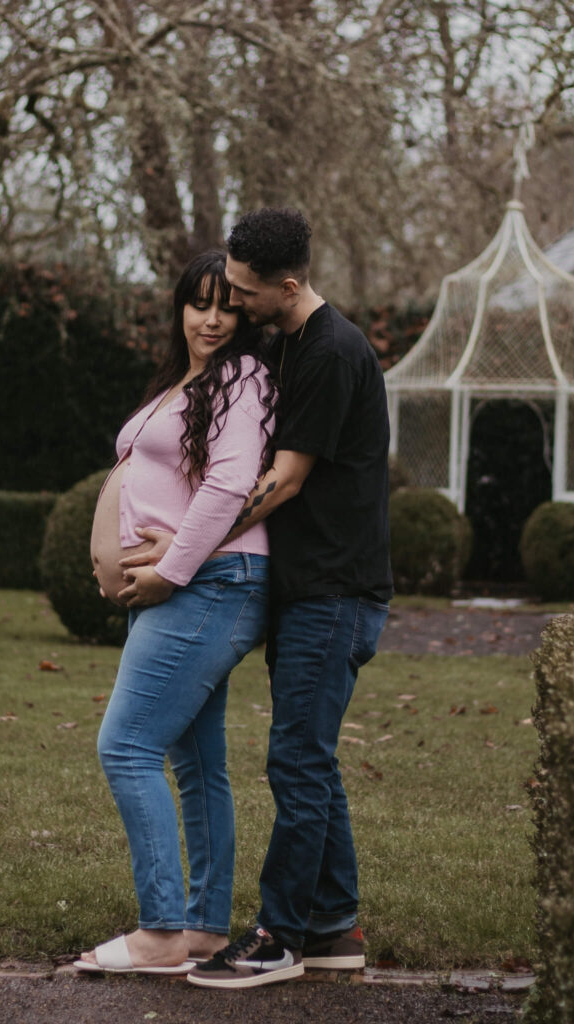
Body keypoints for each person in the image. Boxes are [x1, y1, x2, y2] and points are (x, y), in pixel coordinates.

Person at [184, 207, 393, 989]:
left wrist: (190, 547)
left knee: (296, 762)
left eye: (243, 291)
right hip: (314, 591)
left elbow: (286, 478)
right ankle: (335, 927)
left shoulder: (333, 352)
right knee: (312, 762)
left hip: (335, 594)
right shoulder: (292, 341)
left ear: (289, 284)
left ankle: (278, 936)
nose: (233, 304)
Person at [74, 249, 275, 975]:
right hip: (196, 585)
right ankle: (202, 929)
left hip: (210, 584)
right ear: (180, 309)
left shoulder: (243, 379)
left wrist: (167, 570)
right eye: (199, 303)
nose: (212, 318)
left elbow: (228, 488)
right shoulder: (185, 381)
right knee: (196, 764)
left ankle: (160, 934)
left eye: (227, 305)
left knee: (124, 747)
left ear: (243, 314)